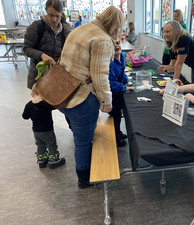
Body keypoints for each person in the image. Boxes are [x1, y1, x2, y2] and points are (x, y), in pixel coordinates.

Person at [58, 6, 124, 189]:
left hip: (62, 90)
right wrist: (107, 101)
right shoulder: (102, 39)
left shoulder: (81, 28)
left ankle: (83, 170)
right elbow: (100, 76)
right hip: (82, 98)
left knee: (80, 135)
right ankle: (84, 178)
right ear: (116, 25)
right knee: (83, 142)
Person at [23, 0, 72, 89]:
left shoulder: (66, 30)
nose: (54, 19)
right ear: (46, 11)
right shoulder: (37, 26)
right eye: (51, 15)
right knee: (40, 101)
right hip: (39, 75)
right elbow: (26, 49)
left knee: (56, 100)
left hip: (57, 76)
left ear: (62, 13)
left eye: (57, 16)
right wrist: (42, 55)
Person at [158, 20, 194, 98]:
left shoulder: (184, 39)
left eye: (168, 32)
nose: (165, 34)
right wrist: (167, 67)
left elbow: (179, 64)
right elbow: (174, 65)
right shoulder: (171, 42)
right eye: (164, 31)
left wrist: (174, 85)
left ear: (177, 31)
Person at [22, 84, 66, 169]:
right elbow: (57, 105)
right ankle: (53, 161)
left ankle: (41, 160)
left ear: (32, 94)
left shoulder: (29, 105)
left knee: (40, 145)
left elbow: (25, 116)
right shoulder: (47, 104)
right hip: (47, 131)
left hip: (36, 131)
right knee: (51, 145)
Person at [108, 40, 135, 147]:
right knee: (116, 114)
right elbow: (112, 84)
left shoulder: (122, 57)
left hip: (117, 91)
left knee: (118, 113)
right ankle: (116, 137)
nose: (116, 46)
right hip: (112, 94)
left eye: (117, 43)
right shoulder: (110, 64)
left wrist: (126, 80)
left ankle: (118, 132)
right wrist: (125, 88)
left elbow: (122, 72)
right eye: (112, 44)